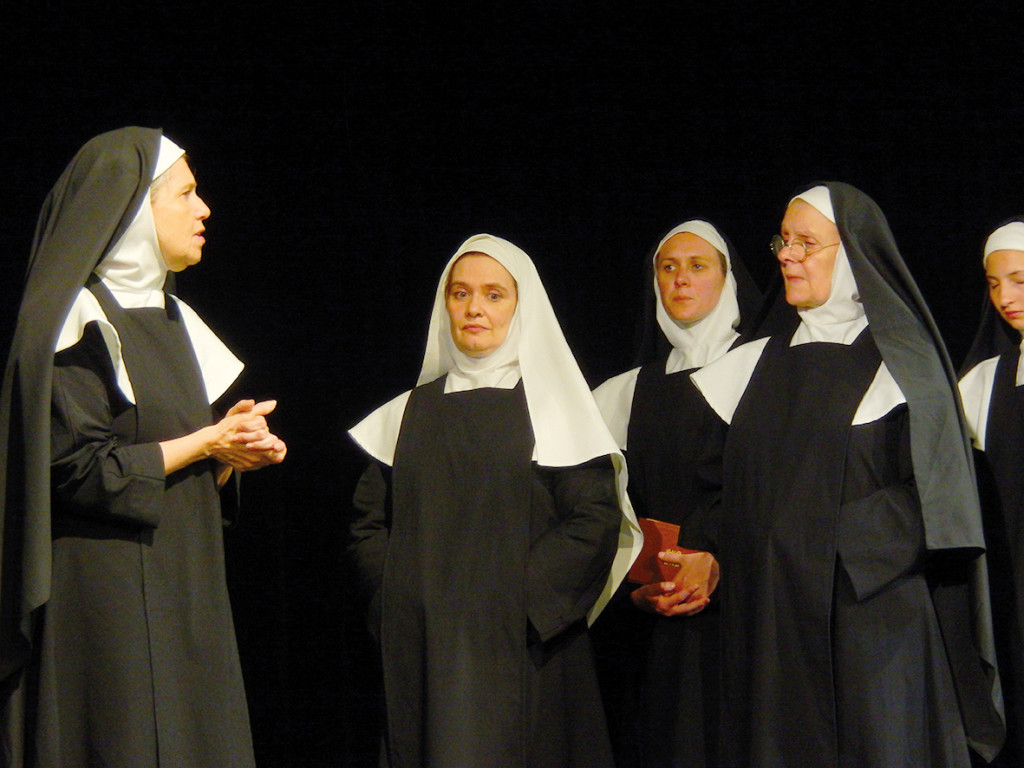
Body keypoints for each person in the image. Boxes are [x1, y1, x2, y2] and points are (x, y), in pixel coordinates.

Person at [0, 127, 286, 768]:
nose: (203, 209)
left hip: (185, 580)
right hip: (105, 594)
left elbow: (171, 463)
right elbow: (77, 471)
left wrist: (226, 452)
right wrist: (202, 441)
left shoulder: (176, 318)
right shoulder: (76, 318)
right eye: (185, 193)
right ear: (133, 209)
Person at [690, 184, 1003, 767]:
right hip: (769, 629)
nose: (786, 255)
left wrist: (821, 542)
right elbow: (715, 492)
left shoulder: (903, 364)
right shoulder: (748, 366)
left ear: (854, 253)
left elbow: (938, 498)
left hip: (872, 629)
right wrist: (709, 553)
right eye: (783, 241)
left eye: (806, 242)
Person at [348, 233, 642, 768]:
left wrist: (513, 607)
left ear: (521, 305)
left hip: (526, 652)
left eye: (493, 294)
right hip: (425, 651)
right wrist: (398, 598)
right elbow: (369, 522)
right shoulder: (406, 414)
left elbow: (592, 521)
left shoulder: (555, 409)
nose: (474, 308)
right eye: (460, 294)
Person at [590, 219, 761, 768]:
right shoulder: (620, 394)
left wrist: (719, 564)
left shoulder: (770, 371)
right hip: (656, 621)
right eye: (668, 267)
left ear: (728, 279)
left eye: (697, 265)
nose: (680, 280)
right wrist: (632, 592)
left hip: (752, 610)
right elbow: (599, 516)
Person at [959, 219, 1024, 766]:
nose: (1005, 297)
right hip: (1013, 599)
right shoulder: (980, 384)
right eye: (994, 282)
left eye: (1020, 280)